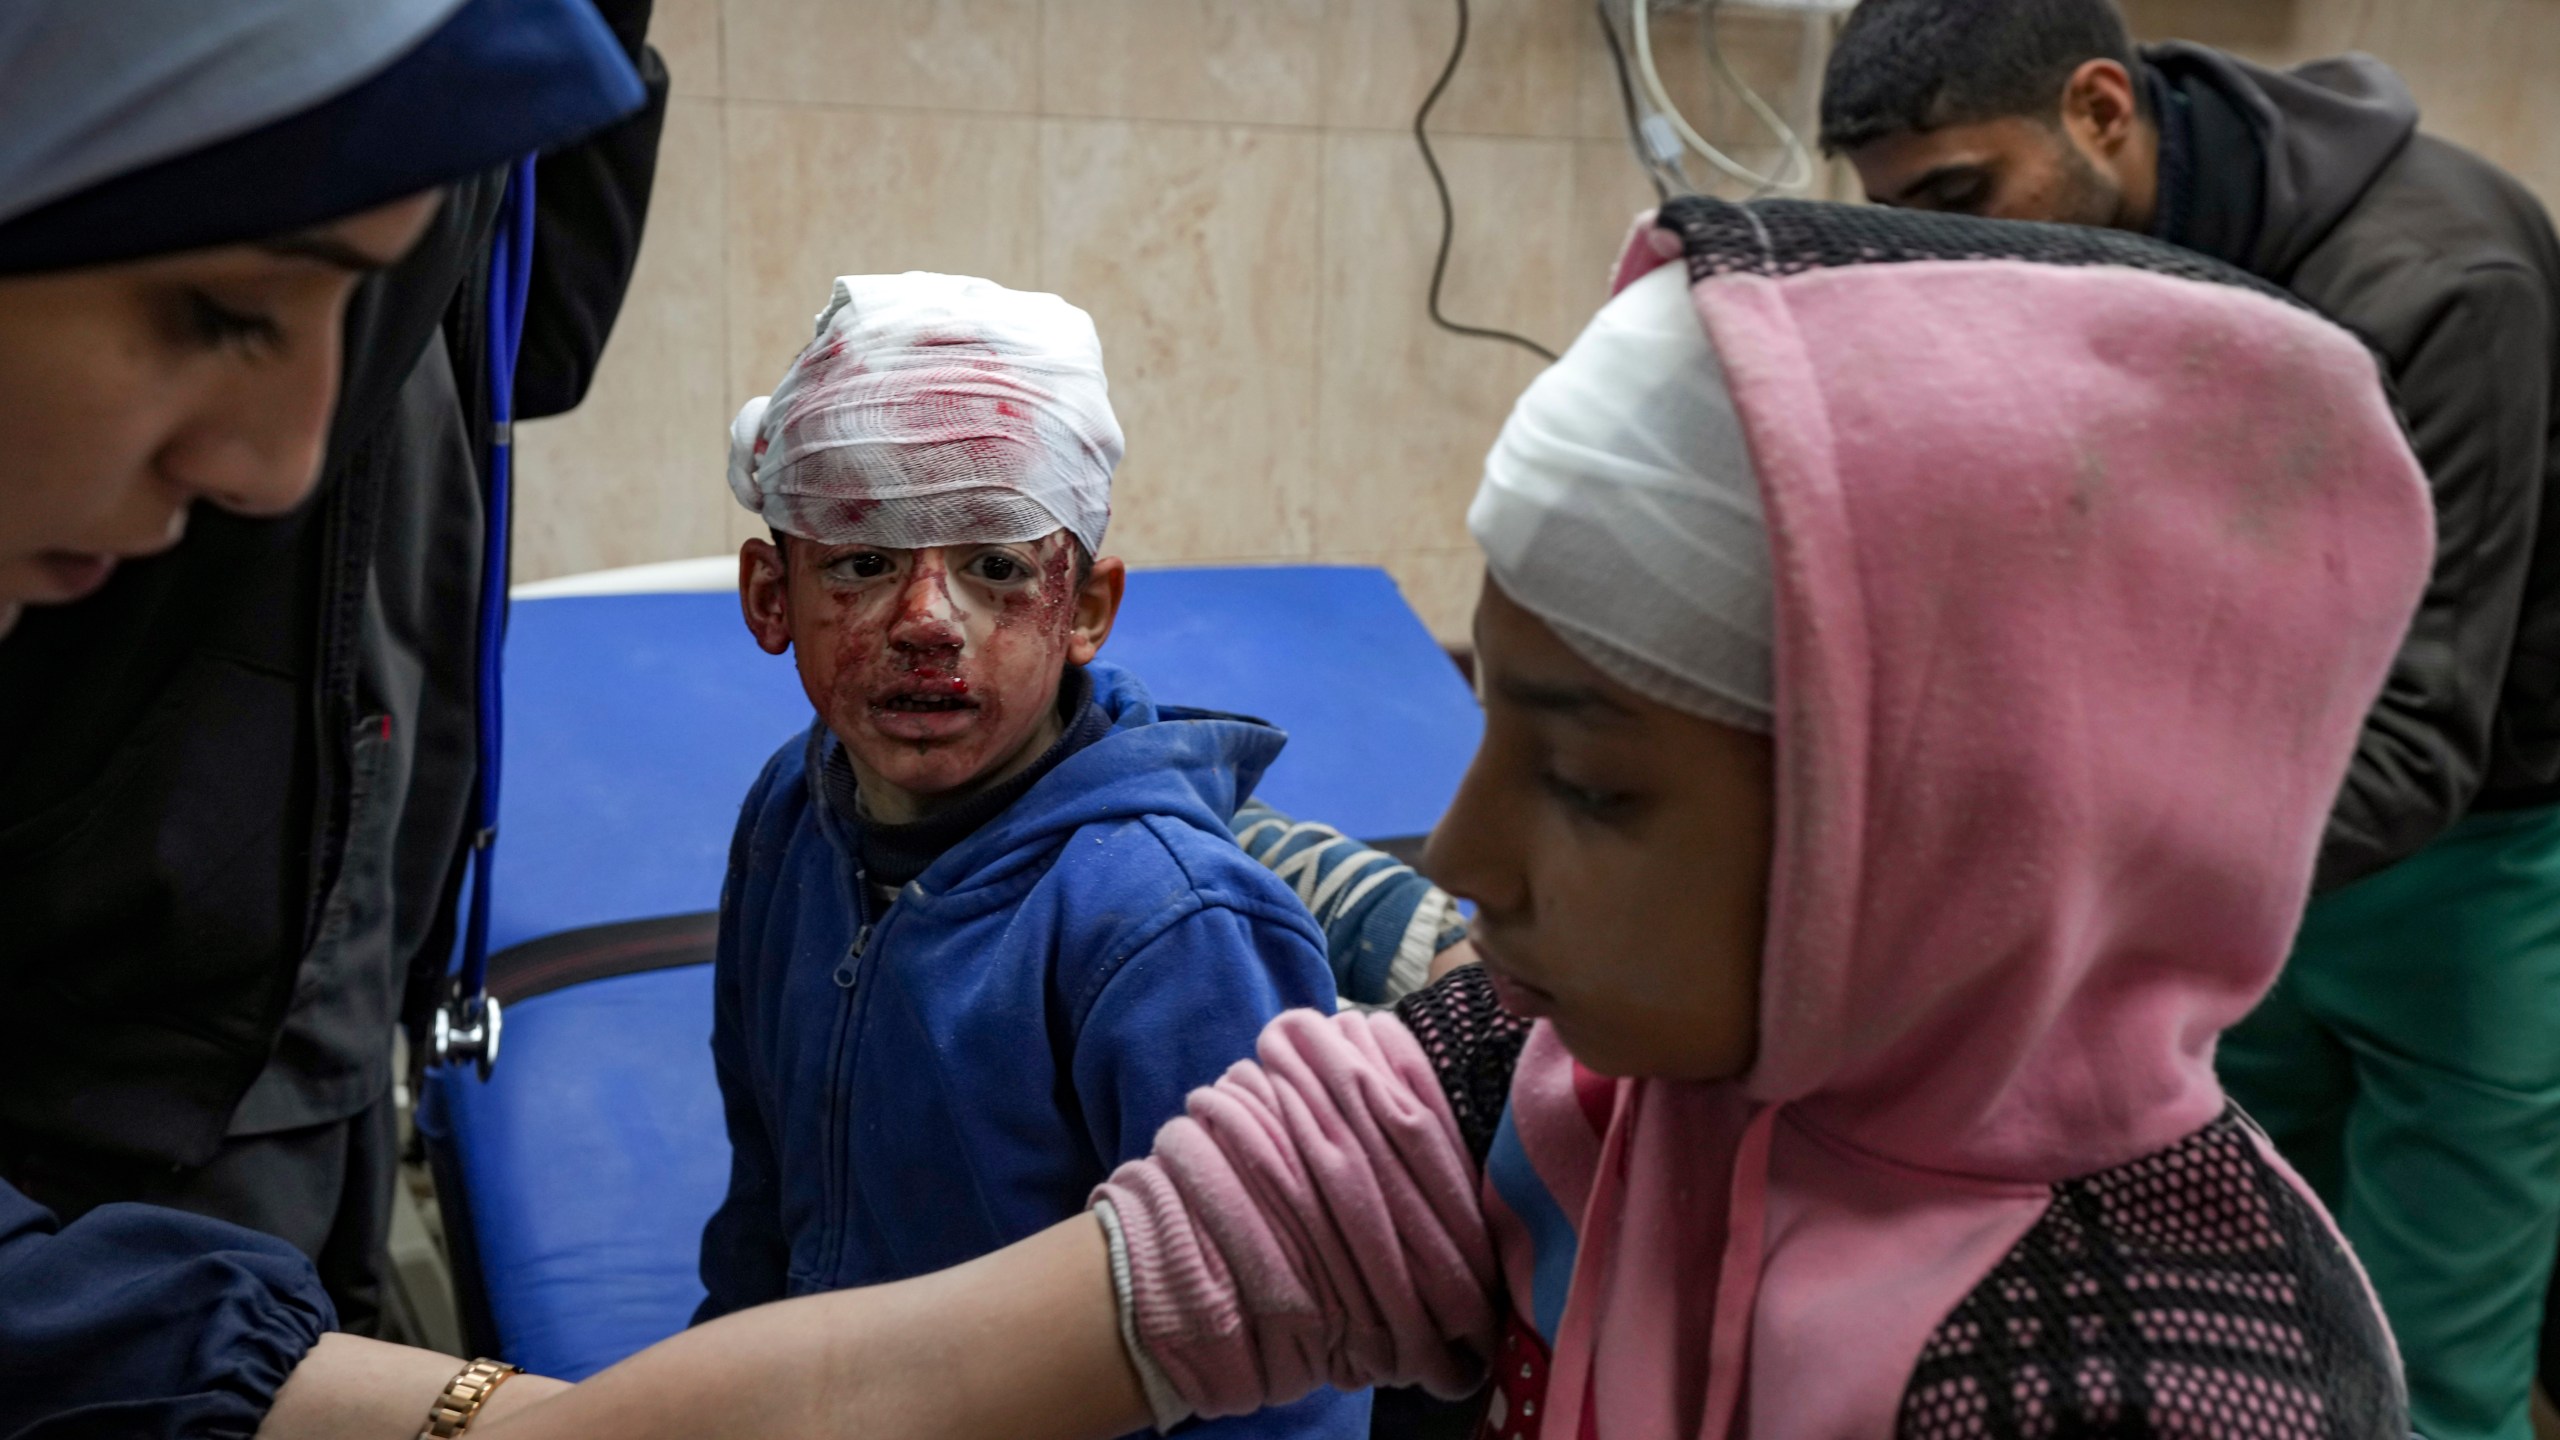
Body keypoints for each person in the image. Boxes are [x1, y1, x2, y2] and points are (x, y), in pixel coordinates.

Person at [451, 195, 2433, 1439]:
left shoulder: (2135, 1376)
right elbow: (913, 1357)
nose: (1460, 858)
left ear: (1922, 821)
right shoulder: (1520, 1083)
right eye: (1487, 721)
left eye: (1579, 777)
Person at [1816, 7, 2560, 1435]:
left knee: (2439, 1371)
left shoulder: (2435, 281)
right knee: (2228, 1305)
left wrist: (2072, 881)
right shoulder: (2100, 257)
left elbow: (2421, 739)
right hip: (2233, 832)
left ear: (2101, 109)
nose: (1943, 253)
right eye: (1898, 217)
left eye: (1961, 199)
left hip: (2466, 865)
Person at [0, 1, 650, 1435]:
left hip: (339, 949)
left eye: (342, 306)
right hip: (148, 996)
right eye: (224, 313)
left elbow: (536, 335)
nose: (280, 456)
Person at [701, 272, 1368, 1440]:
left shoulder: (1166, 929)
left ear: (1087, 609)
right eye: (860, 563)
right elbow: (765, 1202)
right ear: (771, 597)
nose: (926, 620)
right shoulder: (791, 814)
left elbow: (1282, 1375)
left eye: (997, 567)